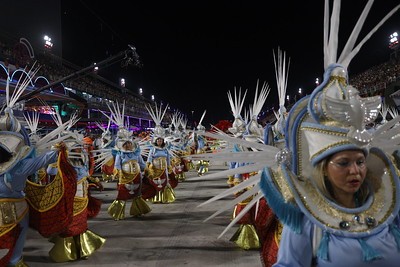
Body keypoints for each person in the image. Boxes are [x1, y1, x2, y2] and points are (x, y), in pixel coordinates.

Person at [46, 138, 105, 263]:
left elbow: (86, 176)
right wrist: (56, 155)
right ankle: (68, 253)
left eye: (80, 148)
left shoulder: (82, 162)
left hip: (83, 200)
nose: (80, 150)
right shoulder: (64, 164)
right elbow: (50, 171)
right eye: (77, 149)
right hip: (70, 201)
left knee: (81, 227)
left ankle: (82, 250)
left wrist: (96, 182)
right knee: (70, 228)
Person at [108, 139, 151, 220]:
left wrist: (147, 170)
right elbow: (117, 165)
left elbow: (141, 163)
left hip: (137, 177)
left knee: (137, 195)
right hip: (124, 177)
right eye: (126, 144)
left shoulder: (136, 153)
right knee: (122, 195)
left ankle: (138, 211)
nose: (128, 146)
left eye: (129, 144)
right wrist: (117, 173)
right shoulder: (120, 153)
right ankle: (117, 214)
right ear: (123, 145)